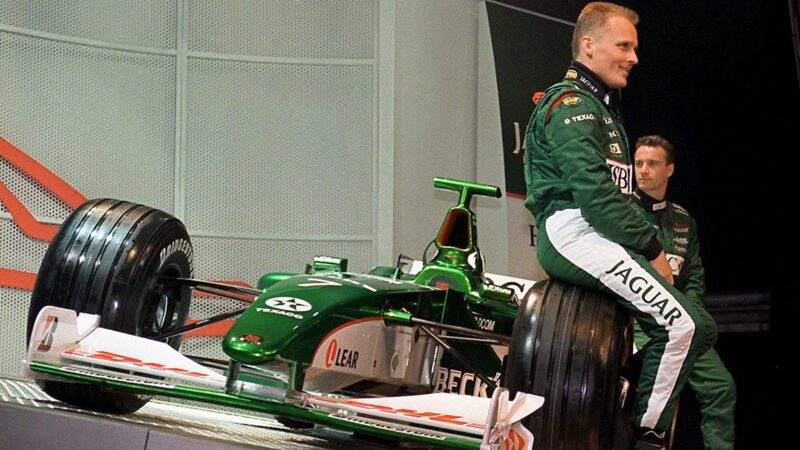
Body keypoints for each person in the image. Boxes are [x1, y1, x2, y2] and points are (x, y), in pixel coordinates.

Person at [522, 3, 717, 449]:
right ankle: (642, 438)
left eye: (635, 47)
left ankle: (617, 418)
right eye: (623, 45)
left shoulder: (602, 109)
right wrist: (652, 248)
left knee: (693, 324)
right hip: (573, 232)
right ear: (588, 46)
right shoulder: (572, 104)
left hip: (597, 233)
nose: (633, 57)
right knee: (684, 326)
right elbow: (594, 196)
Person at [633, 135, 736, 450]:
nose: (644, 170)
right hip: (637, 325)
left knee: (722, 387)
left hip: (680, 326)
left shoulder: (683, 221)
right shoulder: (621, 213)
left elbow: (694, 277)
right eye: (638, 163)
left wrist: (688, 316)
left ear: (670, 169)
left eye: (652, 163)